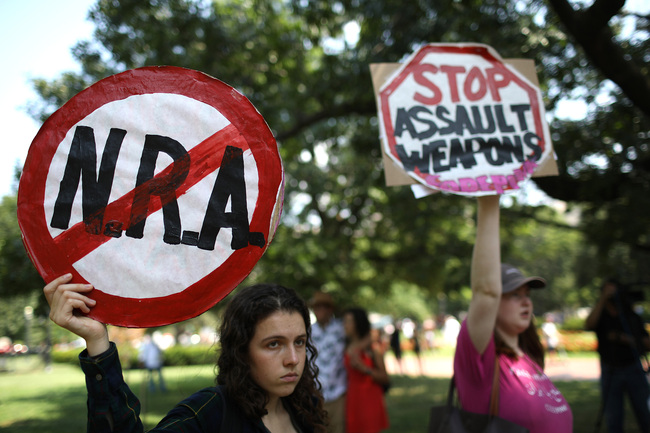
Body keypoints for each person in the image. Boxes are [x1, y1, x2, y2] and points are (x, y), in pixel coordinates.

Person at [44, 274, 327, 433]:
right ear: (242, 350)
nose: (293, 358)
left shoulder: (304, 406)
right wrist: (97, 342)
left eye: (300, 342)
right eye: (274, 344)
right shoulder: (211, 413)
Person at [453, 195, 572, 433]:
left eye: (527, 294)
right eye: (514, 295)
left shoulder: (527, 357)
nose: (526, 301)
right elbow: (486, 291)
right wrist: (490, 199)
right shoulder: (479, 360)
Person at [585, 278, 650, 433]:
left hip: (633, 368)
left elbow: (647, 343)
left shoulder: (630, 315)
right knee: (613, 419)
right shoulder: (601, 316)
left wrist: (623, 339)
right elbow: (589, 324)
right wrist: (603, 298)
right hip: (610, 370)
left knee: (645, 414)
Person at [342, 307, 389, 433]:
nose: (344, 325)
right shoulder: (347, 345)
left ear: (358, 324)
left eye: (348, 321)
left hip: (369, 397)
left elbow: (385, 377)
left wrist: (364, 368)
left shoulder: (372, 347)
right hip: (352, 397)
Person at [309, 291, 347, 433]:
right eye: (317, 307)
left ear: (331, 309)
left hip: (338, 393)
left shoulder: (342, 328)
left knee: (337, 429)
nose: (321, 310)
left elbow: (366, 335)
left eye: (325, 307)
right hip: (315, 395)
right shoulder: (308, 331)